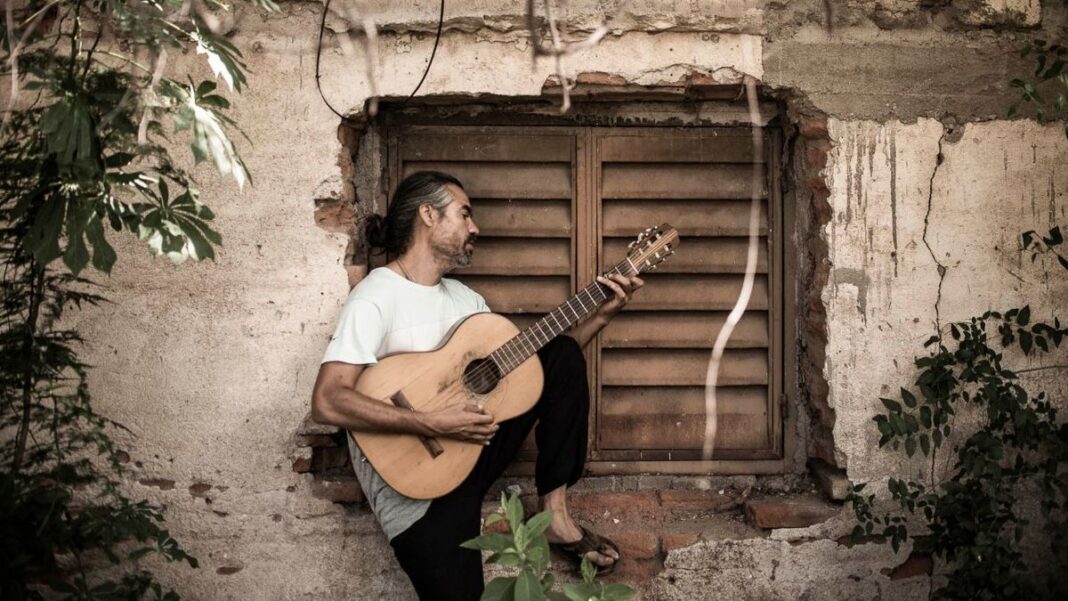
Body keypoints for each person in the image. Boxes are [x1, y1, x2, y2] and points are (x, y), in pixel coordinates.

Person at [311, 171, 643, 600]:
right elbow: (328, 400)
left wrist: (601, 316)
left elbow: (537, 375)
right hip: (415, 493)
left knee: (560, 355)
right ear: (427, 215)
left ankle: (556, 516)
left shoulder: (468, 303)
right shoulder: (376, 296)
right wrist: (433, 422)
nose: (475, 228)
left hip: (472, 458)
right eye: (465, 214)